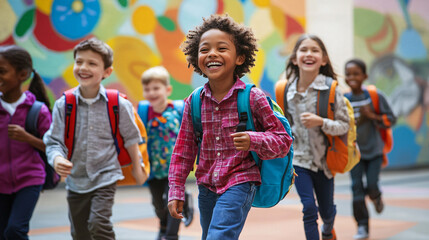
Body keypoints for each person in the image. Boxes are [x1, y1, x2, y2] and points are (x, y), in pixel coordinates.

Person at [167, 14, 292, 240]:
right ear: (196, 58)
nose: (212, 53)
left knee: (219, 236)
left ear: (240, 57)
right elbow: (183, 151)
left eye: (222, 48)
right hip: (206, 187)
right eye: (205, 49)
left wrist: (254, 140)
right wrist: (176, 190)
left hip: (240, 181)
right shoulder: (194, 102)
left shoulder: (253, 98)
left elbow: (283, 140)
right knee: (210, 236)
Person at [43, 38, 147, 240]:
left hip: (105, 175)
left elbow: (131, 138)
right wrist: (56, 159)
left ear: (107, 72)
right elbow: (53, 141)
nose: (83, 67)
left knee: (99, 224)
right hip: (76, 180)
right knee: (80, 233)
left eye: (92, 63)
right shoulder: (64, 105)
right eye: (79, 61)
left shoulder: (118, 104)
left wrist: (137, 166)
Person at [284, 34, 350, 240]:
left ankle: (328, 229)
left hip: (324, 162)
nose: (309, 54)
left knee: (327, 211)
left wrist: (320, 122)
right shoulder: (285, 89)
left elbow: (344, 125)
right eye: (304, 50)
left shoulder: (331, 89)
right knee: (309, 208)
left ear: (323, 60)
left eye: (315, 50)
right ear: (295, 58)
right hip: (299, 161)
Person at [0, 45, 52, 240]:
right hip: (1, 181)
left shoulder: (37, 111)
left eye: (2, 71)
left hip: (30, 179)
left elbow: (53, 148)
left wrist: (27, 137)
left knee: (15, 230)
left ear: (22, 74)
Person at [139, 66, 194, 240]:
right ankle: (163, 225)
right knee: (158, 204)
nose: (151, 92)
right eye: (147, 89)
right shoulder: (143, 112)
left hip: (174, 169)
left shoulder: (178, 109)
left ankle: (171, 235)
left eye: (156, 88)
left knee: (172, 200)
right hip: (154, 169)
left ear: (167, 90)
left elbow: (189, 134)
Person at [344, 58, 396, 239]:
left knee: (372, 186)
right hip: (355, 154)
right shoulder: (344, 99)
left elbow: (392, 119)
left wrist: (372, 115)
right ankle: (362, 227)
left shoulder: (375, 96)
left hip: (374, 151)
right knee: (356, 189)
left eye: (356, 73)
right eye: (348, 74)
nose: (352, 77)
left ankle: (376, 197)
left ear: (364, 76)